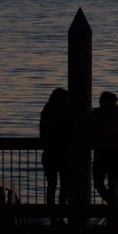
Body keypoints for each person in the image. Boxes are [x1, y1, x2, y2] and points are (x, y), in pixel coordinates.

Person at [40, 87, 73, 225]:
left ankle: (52, 214)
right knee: (65, 185)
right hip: (64, 154)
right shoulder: (67, 114)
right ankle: (61, 213)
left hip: (49, 153)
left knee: (51, 185)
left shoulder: (46, 112)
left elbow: (43, 133)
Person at [89, 91, 118, 207]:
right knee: (113, 182)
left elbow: (91, 128)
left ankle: (112, 204)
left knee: (99, 183)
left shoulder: (95, 113)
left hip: (101, 151)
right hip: (114, 151)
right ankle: (114, 206)